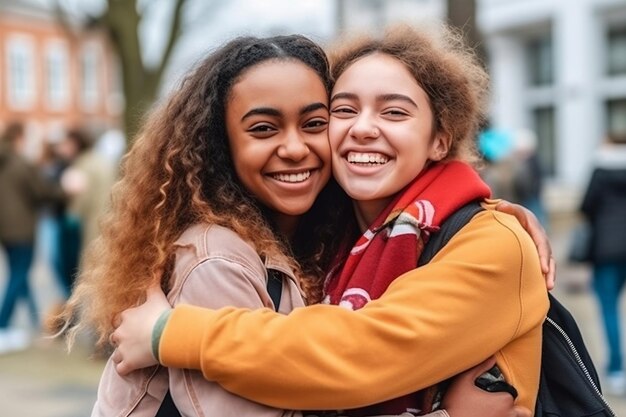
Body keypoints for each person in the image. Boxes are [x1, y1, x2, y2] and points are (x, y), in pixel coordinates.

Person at [59, 32, 549, 417]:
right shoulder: (243, 252)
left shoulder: (486, 241)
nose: (362, 127)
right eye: (343, 110)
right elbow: (338, 357)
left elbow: (361, 352)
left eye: (394, 111)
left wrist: (169, 332)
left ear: (440, 139)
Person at [0, 121, 64, 353]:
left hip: (5, 229)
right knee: (18, 275)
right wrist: (65, 190)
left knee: (20, 274)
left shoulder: (4, 161)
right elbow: (42, 191)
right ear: (19, 137)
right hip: (22, 229)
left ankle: (34, 318)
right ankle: (2, 324)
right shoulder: (20, 162)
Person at [581, 132, 626, 395]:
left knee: (608, 309)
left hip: (606, 248)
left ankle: (616, 370)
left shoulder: (600, 169)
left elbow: (586, 206)